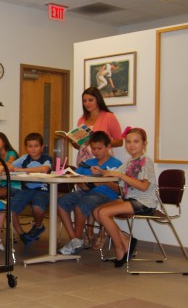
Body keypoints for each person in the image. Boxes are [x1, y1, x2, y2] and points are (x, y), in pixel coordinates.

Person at [94, 127, 158, 267]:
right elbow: (112, 173)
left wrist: (121, 176)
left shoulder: (146, 161)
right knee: (97, 212)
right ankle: (126, 240)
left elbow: (144, 187)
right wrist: (101, 171)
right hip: (131, 199)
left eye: (136, 141)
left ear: (144, 143)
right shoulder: (129, 161)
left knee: (104, 213)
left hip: (144, 202)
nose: (131, 145)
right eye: (128, 141)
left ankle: (120, 248)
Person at [57, 131, 122, 255]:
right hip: (87, 192)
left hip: (107, 195)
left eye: (99, 148)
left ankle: (76, 240)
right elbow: (77, 176)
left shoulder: (117, 164)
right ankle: (75, 239)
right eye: (93, 149)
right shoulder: (88, 163)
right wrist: (81, 182)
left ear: (108, 147)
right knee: (61, 201)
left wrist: (104, 181)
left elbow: (120, 190)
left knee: (81, 204)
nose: (96, 151)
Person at [7, 132, 52, 248]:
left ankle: (38, 226)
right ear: (26, 148)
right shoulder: (24, 158)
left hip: (42, 190)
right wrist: (9, 166)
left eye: (36, 146)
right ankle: (22, 235)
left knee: (37, 208)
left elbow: (45, 169)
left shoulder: (46, 158)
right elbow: (11, 166)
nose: (33, 149)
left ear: (42, 147)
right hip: (26, 190)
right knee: (10, 209)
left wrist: (23, 170)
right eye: (30, 146)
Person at [74, 87, 123, 166]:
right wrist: (72, 141)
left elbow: (120, 141)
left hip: (103, 161)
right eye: (84, 101)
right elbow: (79, 146)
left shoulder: (109, 117)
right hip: (83, 161)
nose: (87, 103)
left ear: (98, 100)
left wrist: (100, 144)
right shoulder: (81, 120)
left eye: (90, 100)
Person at [0, 132, 20, 199]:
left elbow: (9, 163)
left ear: (4, 142)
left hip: (14, 186)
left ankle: (2, 207)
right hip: (2, 185)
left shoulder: (11, 153)